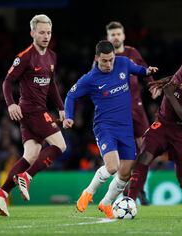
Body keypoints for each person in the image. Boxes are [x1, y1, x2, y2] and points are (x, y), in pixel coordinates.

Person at [63, 40, 158, 218]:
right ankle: (88, 192)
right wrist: (68, 116)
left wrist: (147, 71)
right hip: (104, 127)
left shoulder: (123, 63)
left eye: (111, 60)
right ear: (96, 58)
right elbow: (70, 95)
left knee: (126, 172)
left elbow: (138, 70)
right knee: (112, 166)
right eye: (104, 60)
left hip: (125, 127)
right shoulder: (90, 79)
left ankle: (106, 203)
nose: (108, 64)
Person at [0, 14, 67, 217]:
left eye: (48, 32)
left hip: (37, 111)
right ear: (32, 33)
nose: (46, 36)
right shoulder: (25, 56)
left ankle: (2, 192)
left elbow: (52, 86)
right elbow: (7, 82)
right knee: (60, 145)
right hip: (32, 110)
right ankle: (27, 177)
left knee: (31, 155)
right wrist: (11, 104)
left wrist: (60, 107)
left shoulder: (51, 56)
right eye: (41, 32)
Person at [128, 43, 182, 216]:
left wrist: (169, 95)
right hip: (162, 123)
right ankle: (129, 201)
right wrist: (164, 82)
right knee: (143, 157)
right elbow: (177, 80)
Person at [106, 21, 158, 205]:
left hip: (136, 109)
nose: (116, 37)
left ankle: (138, 188)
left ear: (124, 36)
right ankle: (124, 190)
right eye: (112, 34)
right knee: (123, 156)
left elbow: (145, 72)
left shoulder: (132, 53)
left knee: (145, 150)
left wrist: (152, 87)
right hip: (115, 113)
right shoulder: (103, 57)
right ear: (108, 37)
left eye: (118, 34)